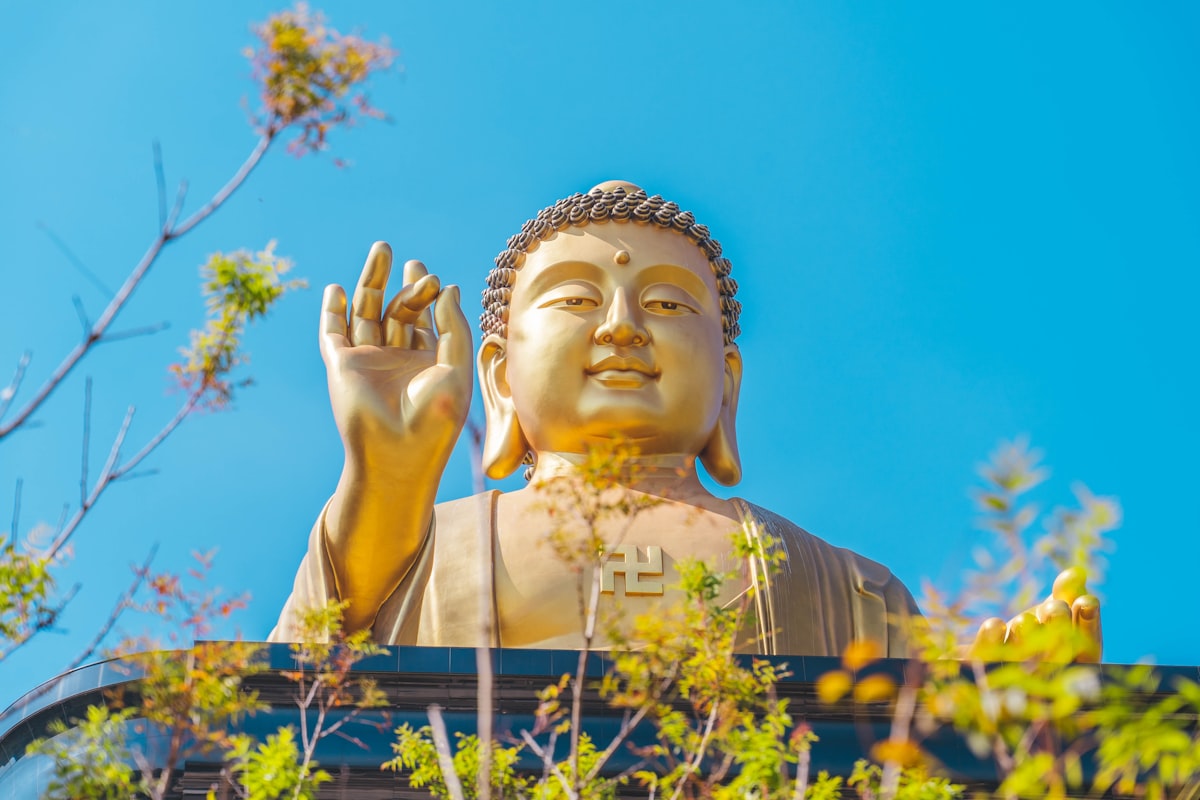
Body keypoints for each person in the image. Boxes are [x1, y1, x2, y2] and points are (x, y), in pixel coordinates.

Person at [270, 181, 1098, 659]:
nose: (623, 326)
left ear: (726, 384)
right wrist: (383, 487)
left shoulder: (852, 589)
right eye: (575, 299)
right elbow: (284, 704)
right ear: (500, 378)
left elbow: (922, 758)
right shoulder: (412, 547)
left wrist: (1016, 721)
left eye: (668, 302)